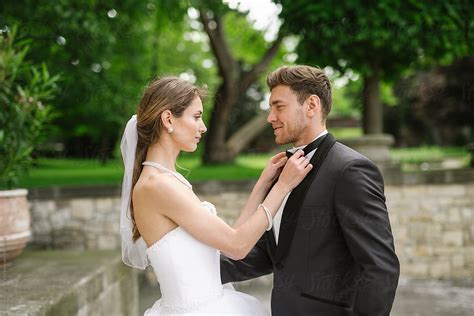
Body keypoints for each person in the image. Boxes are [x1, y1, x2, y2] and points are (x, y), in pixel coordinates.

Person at [119, 76, 313, 315]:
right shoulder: (157, 185)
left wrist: (263, 184)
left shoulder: (169, 180)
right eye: (197, 116)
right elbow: (238, 247)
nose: (203, 127)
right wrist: (282, 187)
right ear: (168, 119)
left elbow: (229, 242)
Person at [221, 65, 400, 316]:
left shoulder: (351, 170)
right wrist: (196, 272)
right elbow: (271, 253)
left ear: (311, 105)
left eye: (279, 106)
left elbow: (380, 267)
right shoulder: (282, 171)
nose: (270, 117)